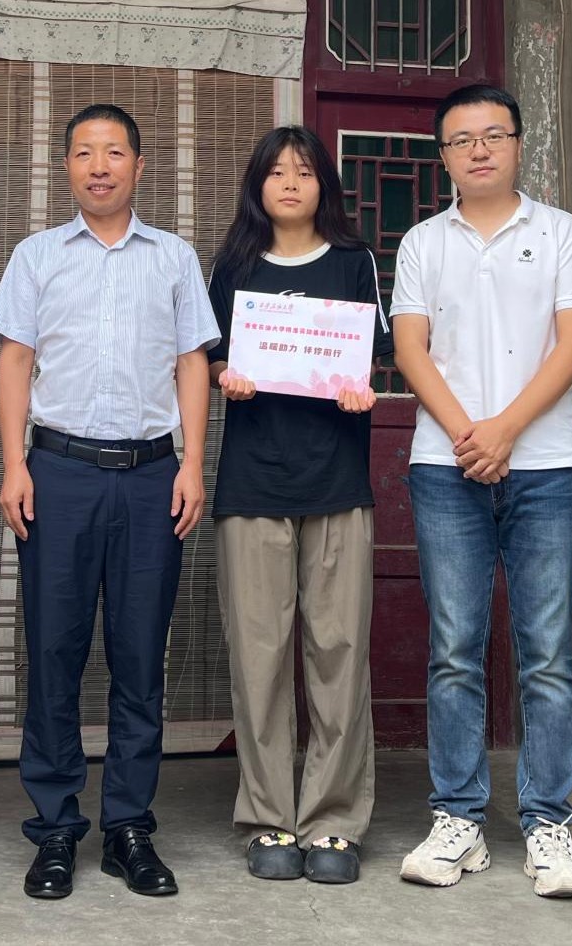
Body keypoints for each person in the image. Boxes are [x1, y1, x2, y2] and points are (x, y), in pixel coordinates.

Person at [0, 104, 218, 899]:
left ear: (139, 166)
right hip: (59, 473)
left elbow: (193, 363)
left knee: (139, 655)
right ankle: (54, 829)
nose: (99, 166)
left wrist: (193, 463)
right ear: (67, 167)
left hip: (153, 477)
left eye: (114, 152)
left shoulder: (174, 257)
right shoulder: (37, 256)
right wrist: (14, 466)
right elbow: (15, 363)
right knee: (54, 651)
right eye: (84, 152)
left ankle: (127, 828)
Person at [391, 85, 572, 898]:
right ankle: (460, 820)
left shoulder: (561, 233)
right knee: (455, 649)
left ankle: (549, 824)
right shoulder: (422, 242)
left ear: (517, 144)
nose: (478, 149)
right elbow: (411, 350)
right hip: (445, 468)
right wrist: (471, 437)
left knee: (547, 653)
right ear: (443, 156)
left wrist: (506, 431)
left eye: (493, 134)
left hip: (546, 467)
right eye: (461, 139)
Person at [207, 126, 392, 884]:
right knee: (259, 657)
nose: (290, 182)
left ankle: (334, 822)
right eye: (277, 171)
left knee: (338, 653)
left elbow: (373, 356)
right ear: (258, 184)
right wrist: (226, 373)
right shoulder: (235, 266)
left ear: (325, 186)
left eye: (305, 171)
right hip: (252, 481)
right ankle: (269, 819)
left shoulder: (353, 262)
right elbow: (209, 356)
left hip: (336, 481)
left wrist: (361, 389)